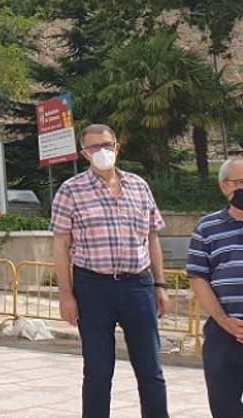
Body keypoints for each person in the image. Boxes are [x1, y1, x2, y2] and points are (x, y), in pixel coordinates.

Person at [52, 123, 169, 418]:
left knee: (151, 369)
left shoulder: (139, 186)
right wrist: (66, 295)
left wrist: (160, 285)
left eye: (106, 145)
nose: (102, 151)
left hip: (138, 286)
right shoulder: (71, 191)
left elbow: (152, 237)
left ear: (117, 147)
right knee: (98, 372)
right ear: (84, 153)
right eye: (94, 147)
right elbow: (60, 245)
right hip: (93, 289)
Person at [187, 157, 243, 417]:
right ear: (224, 186)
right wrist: (224, 321)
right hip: (224, 333)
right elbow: (199, 278)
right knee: (224, 406)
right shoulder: (207, 228)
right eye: (240, 183)